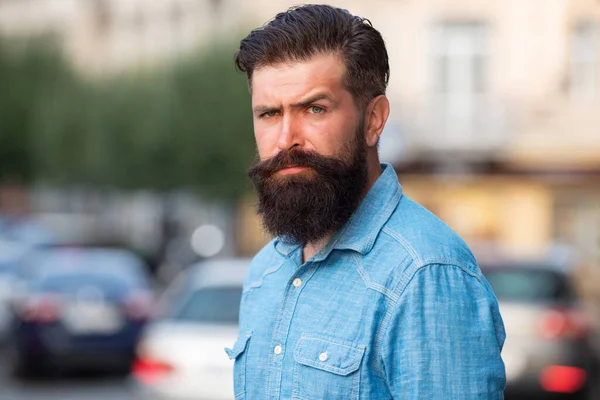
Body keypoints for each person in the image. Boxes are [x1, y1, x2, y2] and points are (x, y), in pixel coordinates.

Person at [226, 4, 506, 399]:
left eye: (315, 108)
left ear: (374, 119)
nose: (286, 138)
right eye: (269, 113)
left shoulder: (425, 274)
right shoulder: (265, 271)